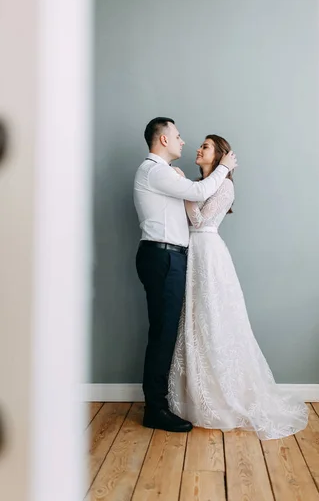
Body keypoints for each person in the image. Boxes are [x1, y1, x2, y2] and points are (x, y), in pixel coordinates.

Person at [168, 134, 308, 439]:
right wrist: (185, 188)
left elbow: (202, 219)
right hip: (191, 251)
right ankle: (195, 395)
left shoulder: (225, 186)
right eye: (200, 145)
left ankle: (222, 396)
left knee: (214, 318)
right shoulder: (197, 184)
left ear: (219, 155)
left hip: (209, 252)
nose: (198, 148)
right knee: (194, 319)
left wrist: (185, 193)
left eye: (205, 146)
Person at [133, 118, 237, 432]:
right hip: (163, 256)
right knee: (163, 334)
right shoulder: (155, 171)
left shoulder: (162, 173)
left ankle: (160, 404)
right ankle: (156, 409)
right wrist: (224, 167)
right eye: (177, 136)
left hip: (171, 256)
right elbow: (199, 190)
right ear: (163, 140)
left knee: (166, 332)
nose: (183, 141)